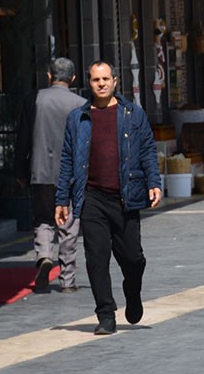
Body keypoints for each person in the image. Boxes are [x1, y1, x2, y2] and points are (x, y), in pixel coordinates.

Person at [56, 60, 163, 335]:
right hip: (92, 198)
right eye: (95, 80)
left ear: (115, 81)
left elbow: (148, 149)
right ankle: (105, 314)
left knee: (133, 258)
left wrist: (154, 182)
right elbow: (67, 158)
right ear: (88, 83)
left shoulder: (132, 114)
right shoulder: (77, 118)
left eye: (105, 79)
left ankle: (132, 289)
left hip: (125, 197)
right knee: (96, 258)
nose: (101, 84)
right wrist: (61, 199)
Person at [14, 57, 82, 292]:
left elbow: (22, 138)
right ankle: (67, 279)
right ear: (73, 79)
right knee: (68, 224)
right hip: (70, 174)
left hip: (40, 170)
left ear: (49, 75)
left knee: (42, 217)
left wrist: (20, 170)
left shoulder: (33, 99)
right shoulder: (80, 104)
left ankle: (44, 255)